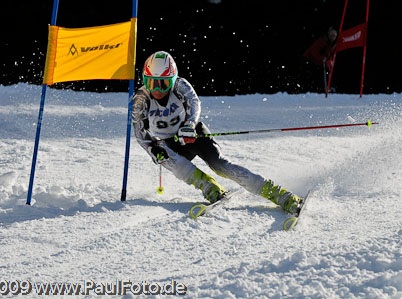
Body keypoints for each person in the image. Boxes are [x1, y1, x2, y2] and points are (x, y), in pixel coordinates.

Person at [132, 51, 302, 214]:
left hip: (192, 134)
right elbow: (140, 132)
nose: (157, 89)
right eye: (151, 82)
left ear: (173, 79)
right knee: (163, 155)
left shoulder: (180, 86)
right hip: (168, 143)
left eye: (164, 83)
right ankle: (209, 187)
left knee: (220, 165)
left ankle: (280, 195)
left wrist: (190, 125)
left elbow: (195, 103)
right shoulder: (141, 99)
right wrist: (152, 149)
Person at [299, 27, 337, 92]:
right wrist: (322, 59)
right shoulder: (323, 41)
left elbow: (327, 55)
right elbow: (313, 52)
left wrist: (329, 62)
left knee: (322, 74)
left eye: (334, 35)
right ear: (328, 33)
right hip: (308, 60)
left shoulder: (331, 43)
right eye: (332, 35)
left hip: (316, 62)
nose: (333, 37)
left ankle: (323, 89)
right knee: (309, 77)